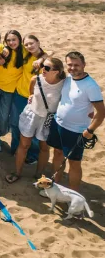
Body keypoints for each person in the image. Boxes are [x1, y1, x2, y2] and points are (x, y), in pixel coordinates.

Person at [48, 52, 104, 191]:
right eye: (70, 65)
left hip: (76, 131)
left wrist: (89, 131)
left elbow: (101, 112)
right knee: (57, 154)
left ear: (84, 65)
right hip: (58, 123)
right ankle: (56, 185)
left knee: (74, 163)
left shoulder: (90, 86)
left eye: (76, 65)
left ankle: (74, 195)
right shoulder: (68, 79)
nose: (73, 68)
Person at [6, 56, 65, 184]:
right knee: (24, 145)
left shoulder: (63, 84)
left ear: (57, 72)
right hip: (32, 115)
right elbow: (31, 92)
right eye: (43, 66)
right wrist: (32, 97)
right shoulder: (36, 79)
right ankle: (17, 172)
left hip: (48, 119)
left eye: (47, 68)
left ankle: (39, 175)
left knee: (44, 148)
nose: (43, 69)